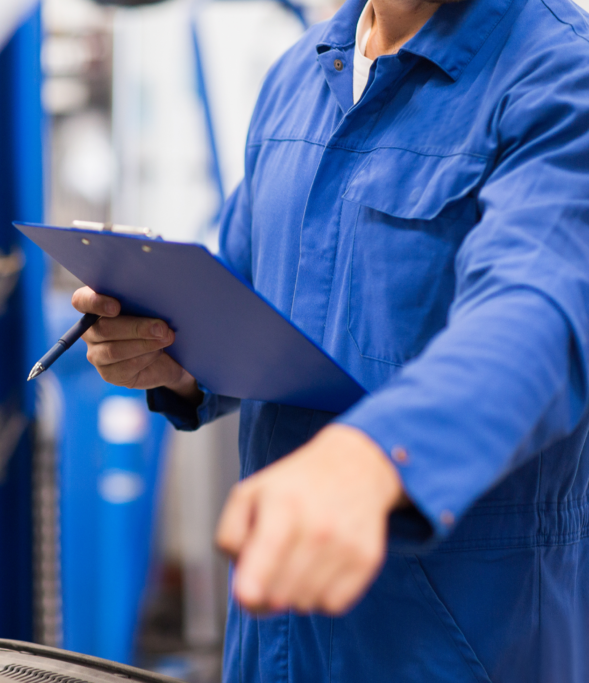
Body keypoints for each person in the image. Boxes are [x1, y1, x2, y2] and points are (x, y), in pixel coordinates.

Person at [72, 0, 589, 679]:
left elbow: (538, 311)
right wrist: (167, 353)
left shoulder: (560, 76)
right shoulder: (302, 74)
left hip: (457, 644)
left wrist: (378, 456)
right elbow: (254, 292)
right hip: (274, 638)